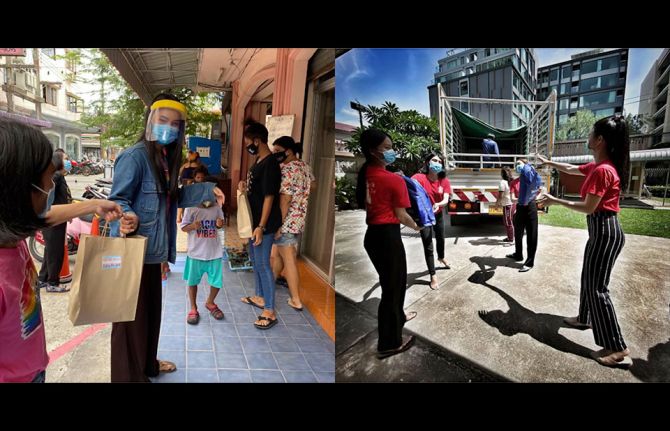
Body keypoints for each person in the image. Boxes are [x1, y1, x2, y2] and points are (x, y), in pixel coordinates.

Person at [107, 94, 224, 382]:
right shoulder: (134, 157)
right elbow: (118, 200)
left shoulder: (164, 159)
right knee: (129, 324)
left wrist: (209, 191)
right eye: (162, 120)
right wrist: (126, 215)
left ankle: (148, 365)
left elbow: (174, 197)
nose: (168, 128)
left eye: (175, 124)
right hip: (132, 253)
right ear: (150, 119)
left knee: (149, 318)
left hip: (153, 252)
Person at [0, 119, 122, 383]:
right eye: (46, 182)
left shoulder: (13, 233)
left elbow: (47, 215)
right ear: (19, 192)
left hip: (35, 369)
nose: (51, 189)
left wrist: (94, 206)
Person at [537, 115, 632, 368]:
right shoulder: (598, 165)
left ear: (599, 140)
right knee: (588, 278)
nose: (588, 136)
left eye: (591, 132)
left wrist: (554, 200)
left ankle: (616, 347)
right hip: (601, 231)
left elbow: (590, 207)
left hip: (605, 230)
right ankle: (585, 317)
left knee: (598, 287)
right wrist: (550, 162)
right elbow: (571, 169)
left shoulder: (603, 171)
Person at [356, 128, 421, 359]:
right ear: (374, 151)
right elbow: (403, 215)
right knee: (393, 291)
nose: (391, 151)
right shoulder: (392, 179)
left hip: (373, 236)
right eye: (387, 147)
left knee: (392, 285)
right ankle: (389, 343)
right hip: (387, 238)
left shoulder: (366, 174)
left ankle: (399, 317)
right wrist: (418, 226)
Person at [237, 120, 283, 329]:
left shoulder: (271, 163)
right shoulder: (258, 161)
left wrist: (261, 226)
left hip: (264, 224)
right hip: (254, 222)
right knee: (255, 261)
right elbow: (257, 191)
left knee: (263, 264)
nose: (248, 146)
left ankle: (270, 311)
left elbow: (269, 197)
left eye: (248, 142)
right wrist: (244, 186)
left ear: (257, 140)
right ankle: (259, 296)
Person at [270, 136, 315, 311]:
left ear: (288, 151)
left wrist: (279, 225)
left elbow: (285, 199)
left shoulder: (288, 170)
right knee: (280, 256)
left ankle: (296, 299)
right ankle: (271, 281)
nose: (275, 155)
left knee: (289, 259)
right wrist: (302, 193)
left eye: (277, 152)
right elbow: (314, 184)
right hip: (298, 219)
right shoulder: (304, 166)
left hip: (286, 221)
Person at [181, 195, 226, 325]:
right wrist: (193, 226)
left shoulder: (216, 207)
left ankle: (210, 302)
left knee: (217, 282)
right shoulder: (190, 208)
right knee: (192, 281)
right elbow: (183, 227)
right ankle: (193, 308)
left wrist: (219, 224)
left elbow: (220, 224)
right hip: (196, 253)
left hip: (214, 252)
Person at [411, 153, 452, 290]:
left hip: (438, 214)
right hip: (424, 218)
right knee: (428, 245)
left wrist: (439, 204)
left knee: (441, 238)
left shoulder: (444, 180)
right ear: (427, 162)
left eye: (440, 161)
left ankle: (441, 258)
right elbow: (409, 190)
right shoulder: (419, 178)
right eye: (434, 160)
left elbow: (446, 199)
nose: (437, 163)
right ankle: (433, 275)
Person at [37, 151, 74, 292]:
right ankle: (53, 283)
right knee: (56, 251)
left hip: (56, 219)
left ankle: (42, 279)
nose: (68, 161)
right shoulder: (56, 176)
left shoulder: (59, 176)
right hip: (54, 220)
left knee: (50, 250)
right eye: (65, 159)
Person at [506, 158, 543, 272]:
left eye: (519, 164)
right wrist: (522, 200)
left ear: (526, 166)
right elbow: (512, 199)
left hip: (531, 208)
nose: (517, 166)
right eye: (516, 164)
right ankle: (518, 254)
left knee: (532, 235)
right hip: (520, 207)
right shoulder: (514, 182)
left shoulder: (532, 178)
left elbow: (541, 190)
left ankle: (529, 262)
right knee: (518, 233)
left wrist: (534, 198)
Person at [495, 167, 515, 243]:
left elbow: (500, 195)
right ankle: (510, 237)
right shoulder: (511, 181)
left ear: (502, 174)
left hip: (508, 205)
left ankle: (511, 239)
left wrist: (497, 204)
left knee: (508, 222)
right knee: (507, 221)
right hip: (510, 204)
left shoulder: (502, 182)